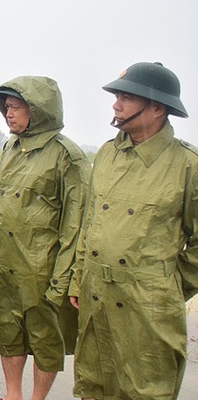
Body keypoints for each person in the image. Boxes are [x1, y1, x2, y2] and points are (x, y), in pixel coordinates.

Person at [69, 62, 198, 400]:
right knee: (94, 385)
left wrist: (163, 286)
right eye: (117, 97)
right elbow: (89, 222)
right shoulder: (109, 154)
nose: (116, 105)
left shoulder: (188, 165)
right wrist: (78, 277)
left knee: (145, 391)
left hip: (149, 307)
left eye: (126, 98)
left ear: (157, 107)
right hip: (97, 296)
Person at [0, 76, 90, 400]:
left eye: (15, 107)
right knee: (8, 333)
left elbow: (77, 222)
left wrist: (66, 278)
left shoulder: (67, 156)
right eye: (6, 107)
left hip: (41, 270)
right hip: (5, 263)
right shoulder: (11, 146)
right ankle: (12, 393)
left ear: (38, 109)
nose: (8, 114)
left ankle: (36, 398)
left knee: (46, 341)